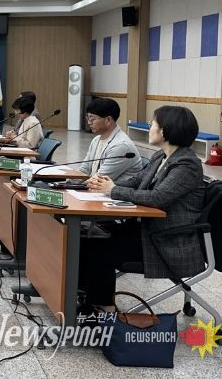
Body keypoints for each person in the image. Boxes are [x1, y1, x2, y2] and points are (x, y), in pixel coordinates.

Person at [80, 106, 205, 309]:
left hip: (168, 239)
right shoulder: (161, 156)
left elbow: (157, 198)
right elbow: (137, 180)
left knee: (100, 250)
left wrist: (113, 190)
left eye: (152, 123)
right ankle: (84, 295)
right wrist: (104, 184)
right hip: (147, 229)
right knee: (85, 239)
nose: (149, 127)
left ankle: (104, 309)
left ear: (164, 130)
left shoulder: (186, 165)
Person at [78, 98, 142, 182]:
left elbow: (99, 180)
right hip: (97, 187)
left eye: (92, 119)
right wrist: (70, 180)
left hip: (115, 189)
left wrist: (72, 186)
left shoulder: (121, 146)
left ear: (108, 120)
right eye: (88, 119)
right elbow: (85, 169)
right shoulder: (96, 140)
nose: (89, 123)